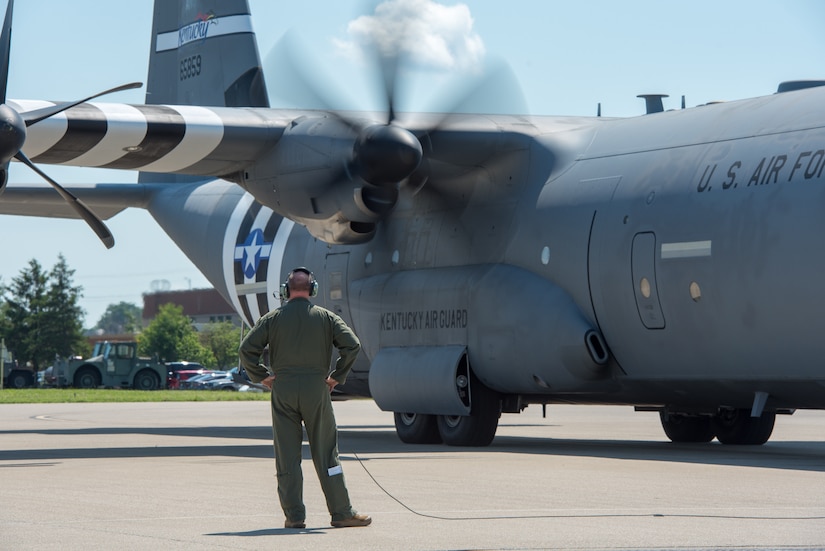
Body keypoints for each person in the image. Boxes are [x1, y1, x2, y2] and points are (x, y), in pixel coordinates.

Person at [239, 267, 371, 529]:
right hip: (316, 389)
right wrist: (336, 376)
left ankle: (294, 516)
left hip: (283, 388)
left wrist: (263, 377)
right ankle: (341, 512)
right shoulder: (326, 318)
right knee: (326, 454)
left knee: (287, 456)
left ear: (286, 291)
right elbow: (352, 345)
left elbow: (246, 349)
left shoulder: (272, 318)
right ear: (313, 290)